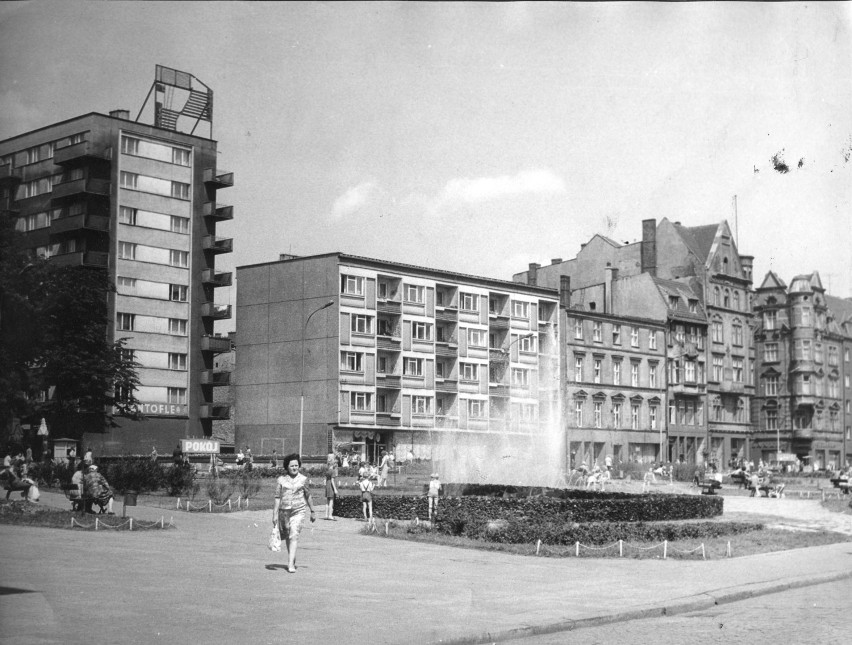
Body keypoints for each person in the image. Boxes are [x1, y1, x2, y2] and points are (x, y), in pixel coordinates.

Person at [272, 454, 316, 573]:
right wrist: (274, 514)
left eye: (296, 465)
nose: (295, 468)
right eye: (292, 466)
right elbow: (277, 497)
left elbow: (308, 495)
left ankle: (290, 564)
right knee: (287, 535)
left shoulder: (303, 479)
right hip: (284, 511)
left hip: (299, 510)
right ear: (287, 467)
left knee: (294, 534)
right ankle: (292, 555)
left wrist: (312, 511)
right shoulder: (281, 480)